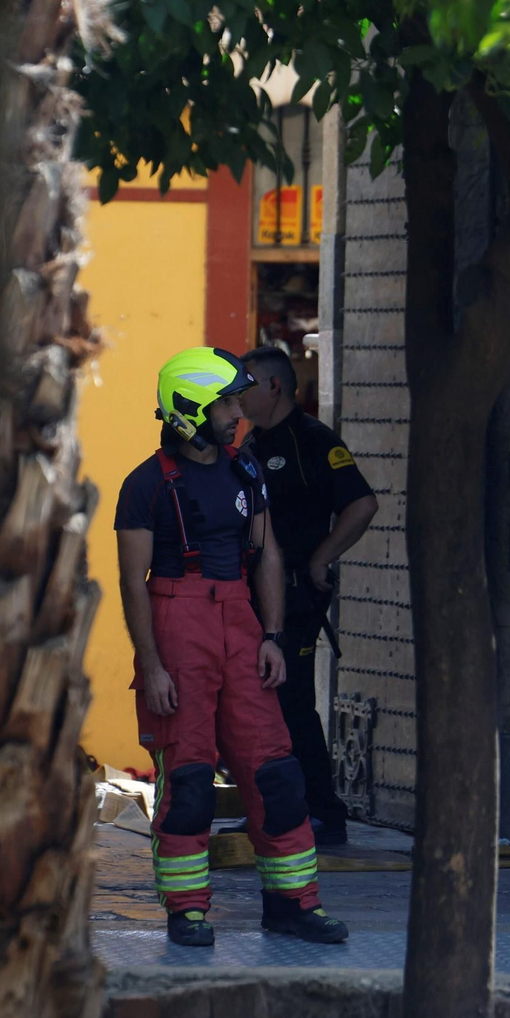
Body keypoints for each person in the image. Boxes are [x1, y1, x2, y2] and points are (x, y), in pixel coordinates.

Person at [113, 346, 349, 948]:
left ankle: (294, 905)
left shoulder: (246, 471)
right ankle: (188, 911)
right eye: (225, 404)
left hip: (241, 624)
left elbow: (266, 554)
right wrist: (152, 666)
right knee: (190, 780)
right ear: (190, 410)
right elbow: (132, 582)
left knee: (276, 774)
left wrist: (271, 636)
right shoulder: (144, 485)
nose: (238, 414)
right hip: (178, 624)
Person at [239, 346, 378, 848]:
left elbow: (362, 504)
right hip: (251, 599)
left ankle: (323, 813)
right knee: (256, 707)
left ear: (274, 386)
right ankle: (274, 810)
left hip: (295, 598)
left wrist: (322, 558)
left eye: (246, 383)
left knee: (292, 704)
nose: (238, 394)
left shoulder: (313, 441)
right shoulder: (250, 444)